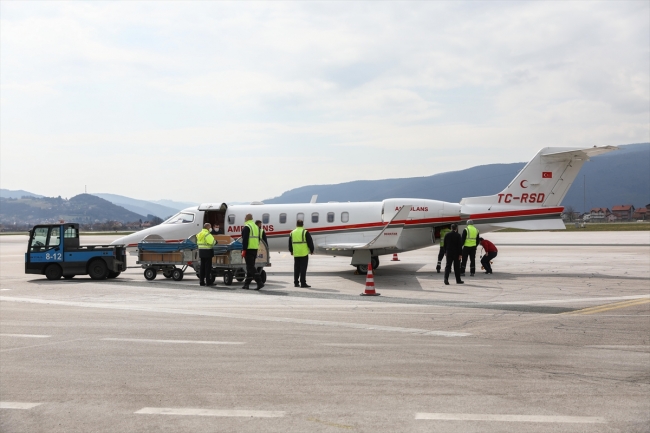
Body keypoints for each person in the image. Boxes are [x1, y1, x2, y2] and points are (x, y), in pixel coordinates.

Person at [288, 219, 314, 288]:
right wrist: (312, 250)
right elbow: (310, 242)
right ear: (303, 225)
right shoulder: (305, 232)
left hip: (296, 253)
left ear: (296, 225)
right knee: (303, 268)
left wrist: (291, 251)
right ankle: (303, 283)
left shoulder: (292, 232)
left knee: (296, 268)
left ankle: (296, 283)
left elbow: (290, 243)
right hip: (304, 253)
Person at [241, 214, 264, 290]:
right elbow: (258, 238)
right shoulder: (256, 227)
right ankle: (246, 284)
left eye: (245, 217)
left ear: (247, 219)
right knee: (250, 267)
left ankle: (259, 282)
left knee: (250, 267)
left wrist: (244, 249)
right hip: (255, 248)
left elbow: (245, 240)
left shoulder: (247, 227)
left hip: (248, 249)